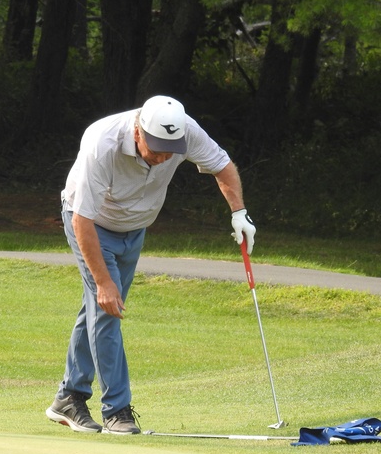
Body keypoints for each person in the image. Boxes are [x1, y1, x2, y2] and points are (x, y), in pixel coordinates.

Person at [45, 95, 257, 435]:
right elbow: (82, 219)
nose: (162, 158)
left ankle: (69, 397)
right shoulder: (102, 142)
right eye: (156, 149)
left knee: (100, 309)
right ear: (138, 131)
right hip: (92, 225)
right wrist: (103, 281)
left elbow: (222, 165)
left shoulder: (185, 131)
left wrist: (239, 213)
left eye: (170, 151)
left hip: (135, 228)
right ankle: (116, 410)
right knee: (108, 310)